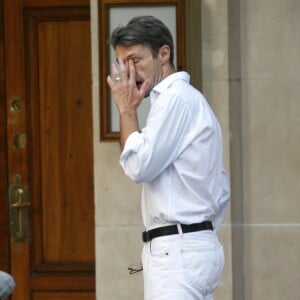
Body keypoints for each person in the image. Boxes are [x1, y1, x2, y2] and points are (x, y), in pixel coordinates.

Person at [107, 15, 230, 300]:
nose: (128, 72)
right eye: (122, 63)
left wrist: (126, 111)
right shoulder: (184, 100)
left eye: (135, 60)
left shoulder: (175, 98)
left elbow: (138, 166)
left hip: (178, 251)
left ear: (164, 54)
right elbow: (221, 189)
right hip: (186, 246)